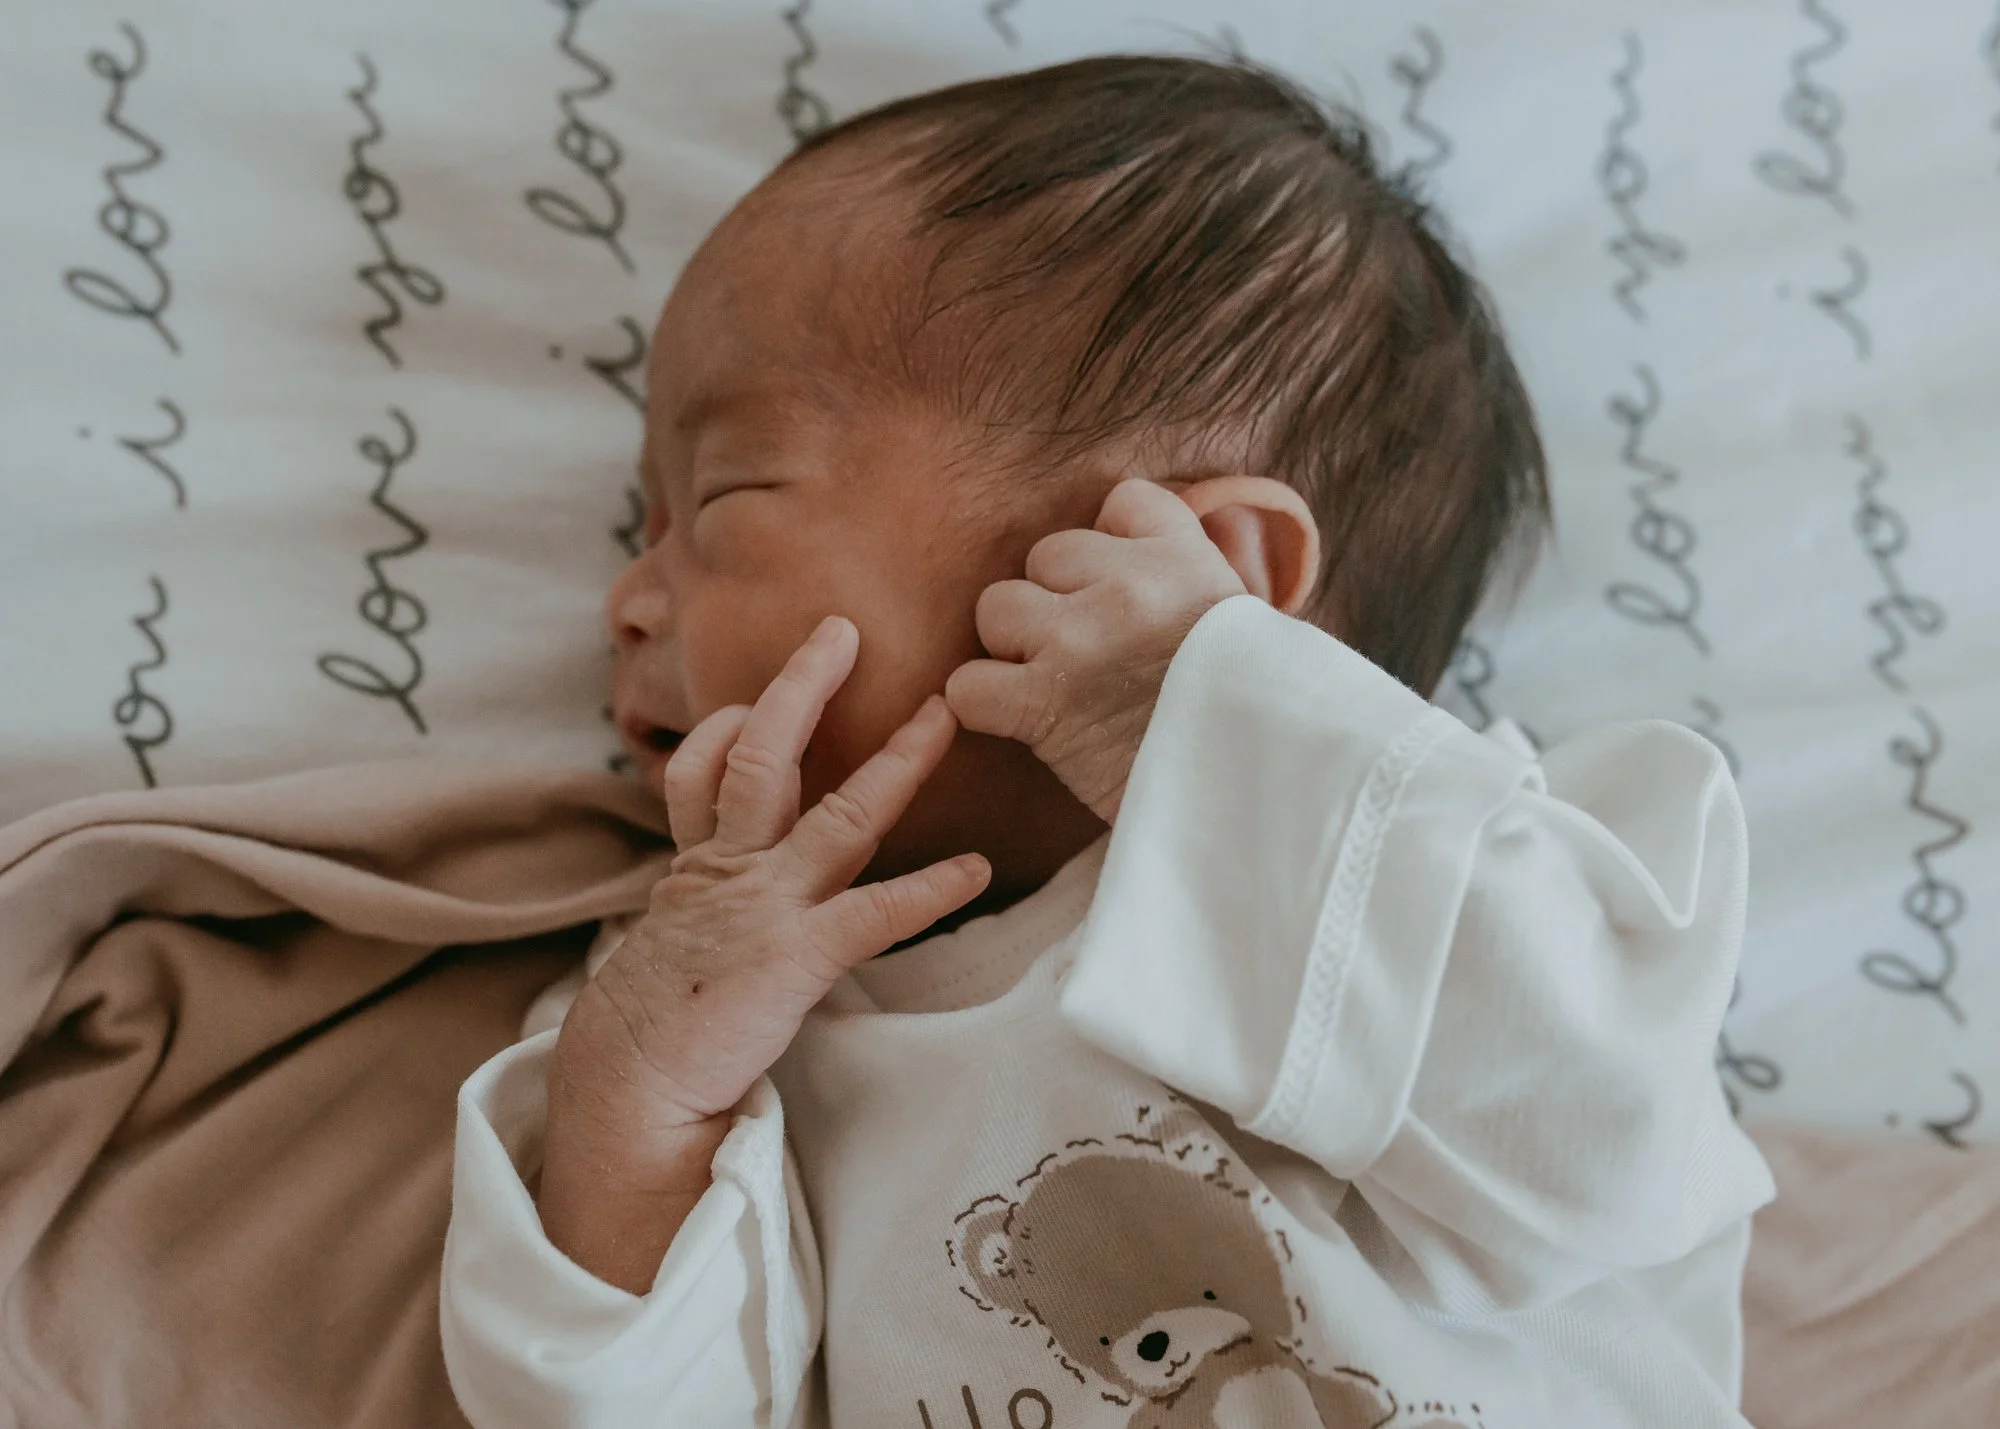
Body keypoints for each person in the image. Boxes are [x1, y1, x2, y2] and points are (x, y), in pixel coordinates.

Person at [440, 55, 1774, 1428]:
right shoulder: (740, 1025)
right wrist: (640, 1100)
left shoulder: (1416, 881)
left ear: (1212, 577)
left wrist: (1216, 725)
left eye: (722, 497)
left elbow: (1603, 1148)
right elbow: (632, 1408)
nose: (627, 598)